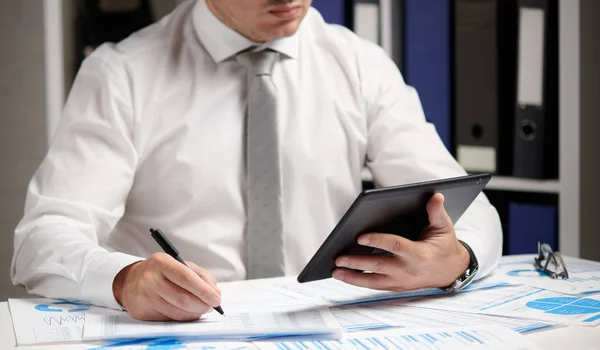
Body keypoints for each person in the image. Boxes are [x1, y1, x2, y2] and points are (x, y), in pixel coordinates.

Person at [11, 0, 502, 322]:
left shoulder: (358, 64)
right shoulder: (122, 74)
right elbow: (43, 238)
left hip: (325, 327)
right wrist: (124, 279)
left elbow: (467, 205)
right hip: (186, 333)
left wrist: (457, 258)